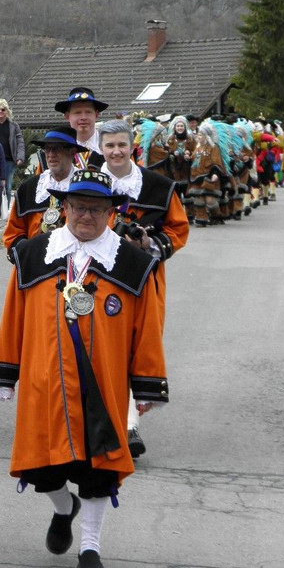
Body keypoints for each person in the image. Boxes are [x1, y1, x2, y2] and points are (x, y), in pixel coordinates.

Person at [0, 168, 168, 568]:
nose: (86, 215)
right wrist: (5, 374)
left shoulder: (134, 264)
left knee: (97, 470)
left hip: (103, 386)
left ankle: (90, 547)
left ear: (110, 213)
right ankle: (62, 507)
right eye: (79, 206)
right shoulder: (33, 254)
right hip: (44, 384)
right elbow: (13, 318)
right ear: (64, 207)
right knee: (40, 469)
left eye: (96, 209)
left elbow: (147, 330)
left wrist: (147, 384)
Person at [98, 119, 188, 458]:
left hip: (144, 283)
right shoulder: (87, 183)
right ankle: (115, 422)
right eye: (109, 145)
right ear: (101, 149)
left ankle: (130, 422)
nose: (116, 151)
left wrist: (150, 243)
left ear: (132, 147)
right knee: (103, 349)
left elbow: (178, 230)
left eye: (121, 144)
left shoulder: (158, 187)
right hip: (97, 282)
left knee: (137, 350)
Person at [3, 126, 82, 251]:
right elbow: (13, 233)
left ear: (72, 152)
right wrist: (29, 253)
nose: (50, 155)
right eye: (47, 149)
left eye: (56, 149)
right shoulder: (29, 188)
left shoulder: (86, 187)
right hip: (35, 260)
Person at [55, 86, 108, 169]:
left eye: (88, 112)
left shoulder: (109, 146)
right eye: (78, 113)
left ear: (96, 114)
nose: (83, 117)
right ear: (67, 116)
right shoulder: (57, 149)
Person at [0, 99, 26, 210]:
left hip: (9, 161)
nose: (0, 112)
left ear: (7, 111)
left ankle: (5, 211)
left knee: (7, 187)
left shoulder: (14, 126)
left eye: (3, 109)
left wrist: (20, 157)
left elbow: (20, 142)